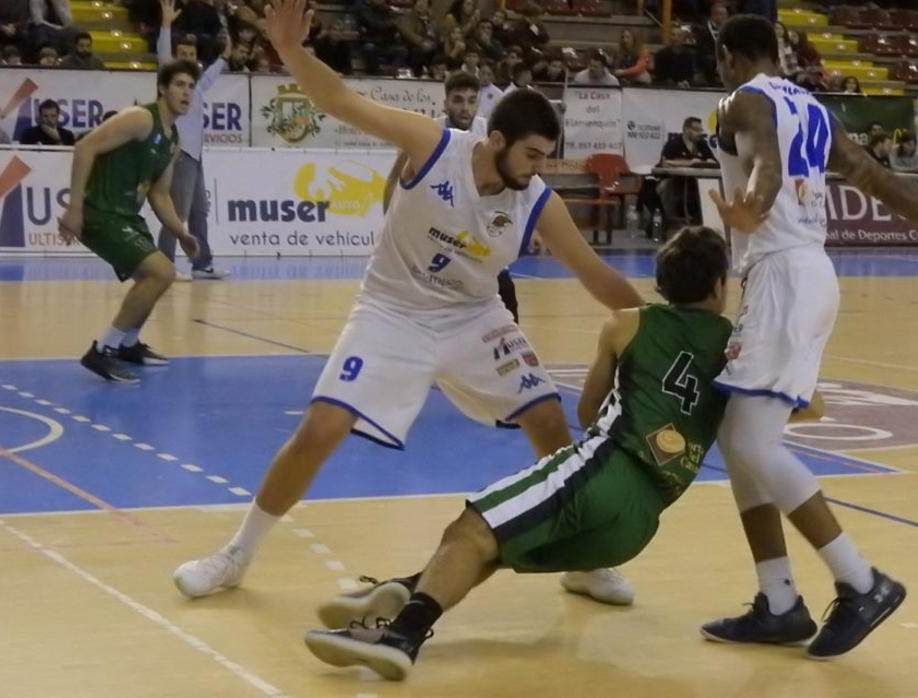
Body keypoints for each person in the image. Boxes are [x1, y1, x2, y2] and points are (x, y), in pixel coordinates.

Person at [172, 0, 647, 607]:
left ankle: (583, 559)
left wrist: (657, 324)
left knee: (549, 420)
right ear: (495, 139)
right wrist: (290, 51)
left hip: (475, 318)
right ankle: (236, 554)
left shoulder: (535, 199)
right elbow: (343, 102)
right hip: (392, 310)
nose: (539, 168)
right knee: (322, 427)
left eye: (545, 157)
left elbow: (595, 273)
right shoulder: (433, 147)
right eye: (531, 154)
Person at [300, 227, 767, 680]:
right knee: (499, 545)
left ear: (662, 281)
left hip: (605, 472)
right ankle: (405, 593)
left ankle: (400, 637)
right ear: (719, 284)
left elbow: (586, 411)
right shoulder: (733, 346)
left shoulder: (628, 323)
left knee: (471, 528)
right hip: (641, 521)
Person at [700, 15, 918, 659]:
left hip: (784, 276)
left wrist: (757, 204)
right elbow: (884, 185)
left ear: (733, 57)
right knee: (741, 444)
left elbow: (763, 154)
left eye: (720, 61)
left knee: (750, 443)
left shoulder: (745, 98)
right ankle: (779, 602)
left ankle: (862, 581)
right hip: (802, 275)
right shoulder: (816, 110)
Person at [56, 60, 202, 383]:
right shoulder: (140, 118)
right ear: (163, 88)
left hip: (126, 216)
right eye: (179, 84)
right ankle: (103, 350)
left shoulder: (173, 139)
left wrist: (182, 233)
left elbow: (160, 195)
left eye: (191, 86)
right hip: (100, 212)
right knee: (160, 271)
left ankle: (127, 344)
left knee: (160, 276)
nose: (187, 92)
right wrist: (74, 208)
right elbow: (84, 148)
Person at [382, 72, 521, 322]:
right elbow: (394, 180)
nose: (465, 108)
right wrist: (390, 223)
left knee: (506, 301)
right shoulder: (426, 133)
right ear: (445, 103)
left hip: (478, 237)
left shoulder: (490, 134)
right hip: (434, 236)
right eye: (458, 100)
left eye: (471, 100)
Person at [156, 0, 230, 281]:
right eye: (182, 53)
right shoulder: (171, 78)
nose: (186, 57)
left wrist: (223, 58)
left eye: (191, 53)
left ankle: (202, 263)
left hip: (196, 155)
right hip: (180, 153)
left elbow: (210, 76)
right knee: (177, 212)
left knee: (199, 211)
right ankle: (164, 264)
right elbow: (163, 54)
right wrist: (165, 25)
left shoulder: (195, 85)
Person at [657, 116, 716, 230]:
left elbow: (711, 159)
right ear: (686, 129)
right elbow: (666, 162)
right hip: (676, 181)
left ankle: (705, 223)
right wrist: (689, 162)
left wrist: (709, 161)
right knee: (665, 188)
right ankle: (672, 224)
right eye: (696, 130)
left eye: (700, 130)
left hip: (697, 182)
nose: (699, 133)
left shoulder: (702, 144)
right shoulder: (674, 143)